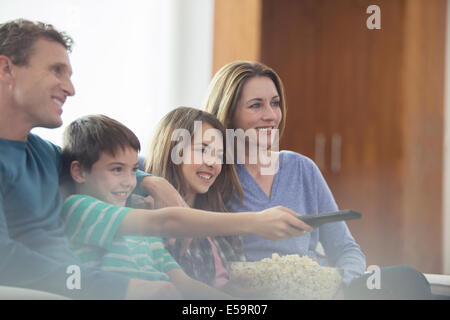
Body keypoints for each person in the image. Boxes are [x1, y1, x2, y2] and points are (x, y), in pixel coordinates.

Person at [204, 60, 433, 299]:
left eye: (275, 103)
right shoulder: (212, 176)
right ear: (228, 116)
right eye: (255, 106)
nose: (271, 115)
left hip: (323, 292)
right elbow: (197, 256)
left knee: (408, 279)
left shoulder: (301, 168)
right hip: (263, 296)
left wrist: (343, 286)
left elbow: (346, 248)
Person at [0, 18, 182, 299]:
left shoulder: (43, 154)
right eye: (56, 70)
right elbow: (6, 261)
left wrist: (153, 183)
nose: (70, 89)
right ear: (6, 69)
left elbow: (101, 169)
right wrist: (121, 288)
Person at [61, 114, 241, 299]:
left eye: (133, 170)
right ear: (79, 172)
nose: (129, 182)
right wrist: (256, 222)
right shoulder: (79, 208)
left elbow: (185, 284)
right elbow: (164, 222)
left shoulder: (143, 229)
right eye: (117, 169)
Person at [145, 107, 257, 297]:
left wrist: (229, 291)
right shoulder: (147, 216)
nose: (213, 163)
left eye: (219, 155)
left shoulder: (223, 222)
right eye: (203, 150)